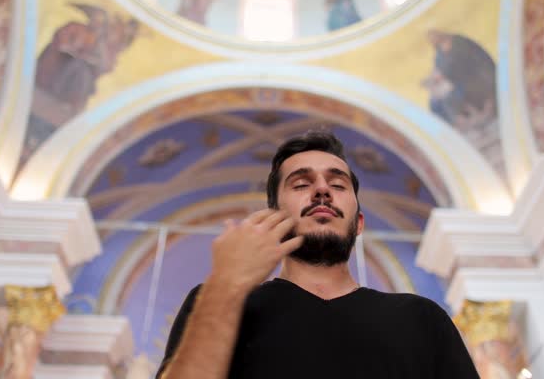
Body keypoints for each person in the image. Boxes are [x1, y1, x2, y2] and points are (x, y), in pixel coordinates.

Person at [156, 131, 479, 378]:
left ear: (359, 223)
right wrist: (225, 284)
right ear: (274, 218)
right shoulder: (219, 303)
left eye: (337, 185)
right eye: (301, 184)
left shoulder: (421, 320)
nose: (322, 190)